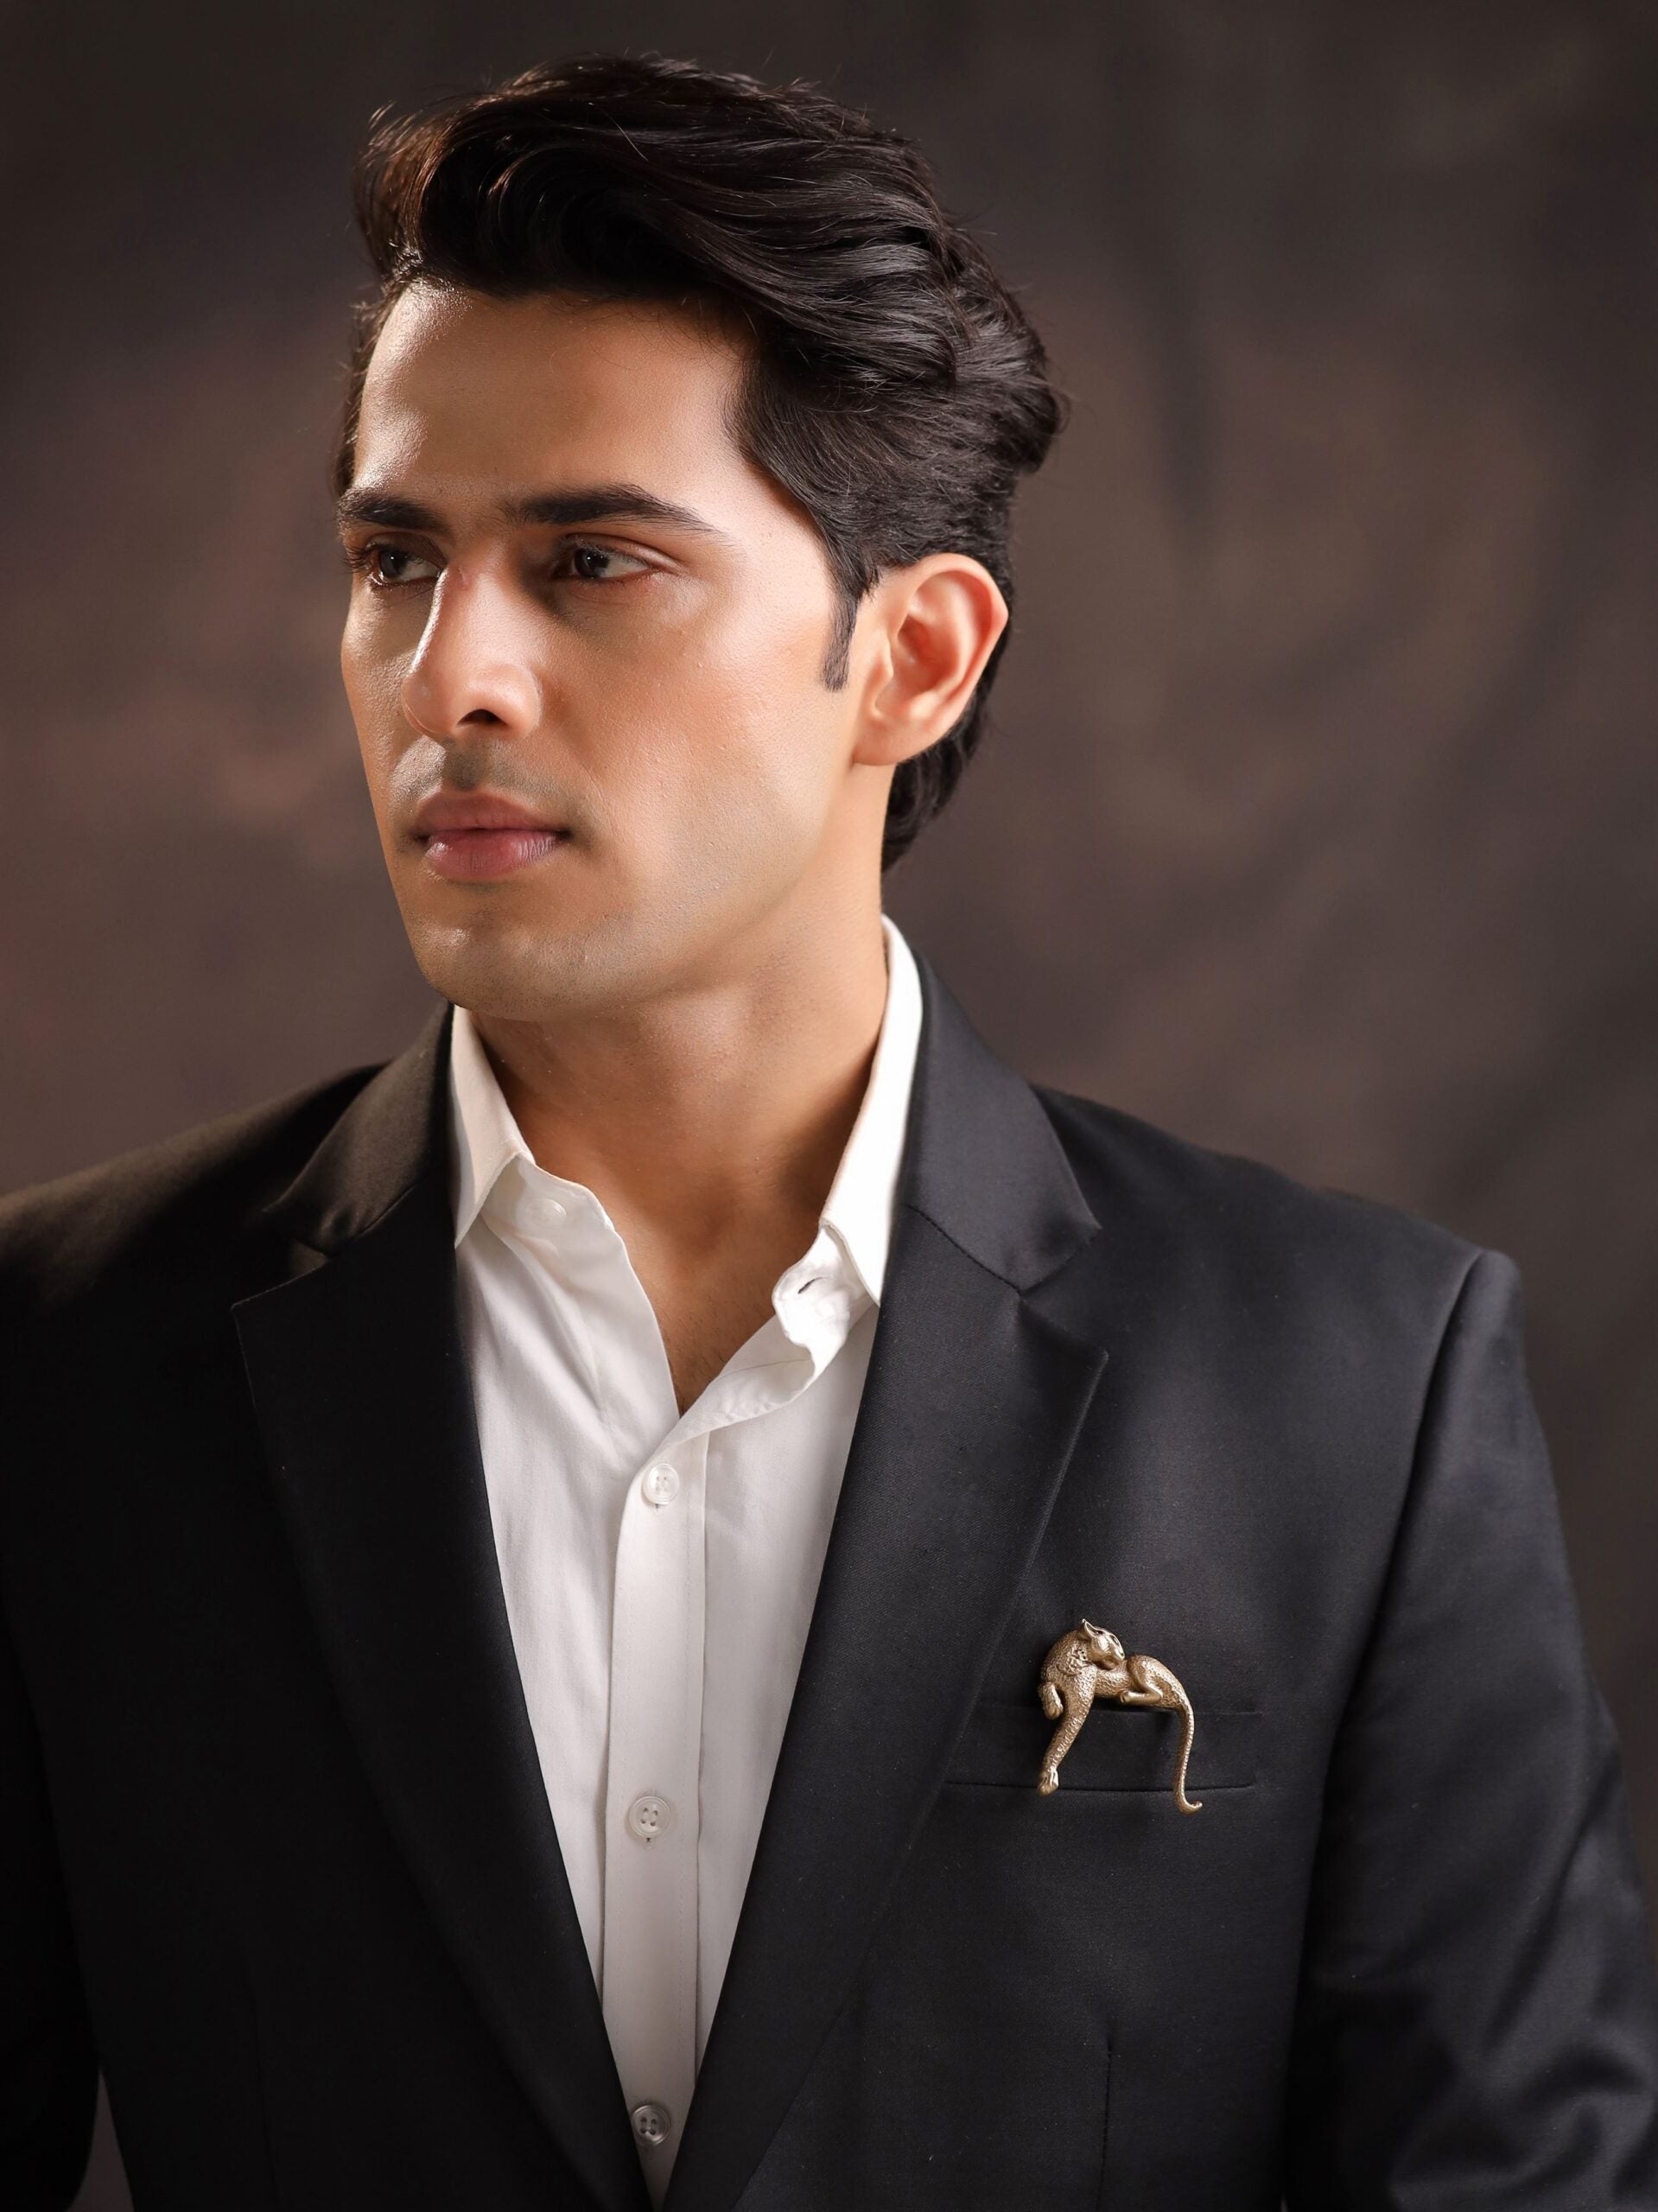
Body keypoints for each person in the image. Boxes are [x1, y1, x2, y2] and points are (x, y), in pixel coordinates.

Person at [3, 52, 1655, 2212]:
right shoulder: (61, 1356)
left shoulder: (1355, 1389)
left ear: (913, 656)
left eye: (592, 559)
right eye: (395, 558)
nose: (448, 675)